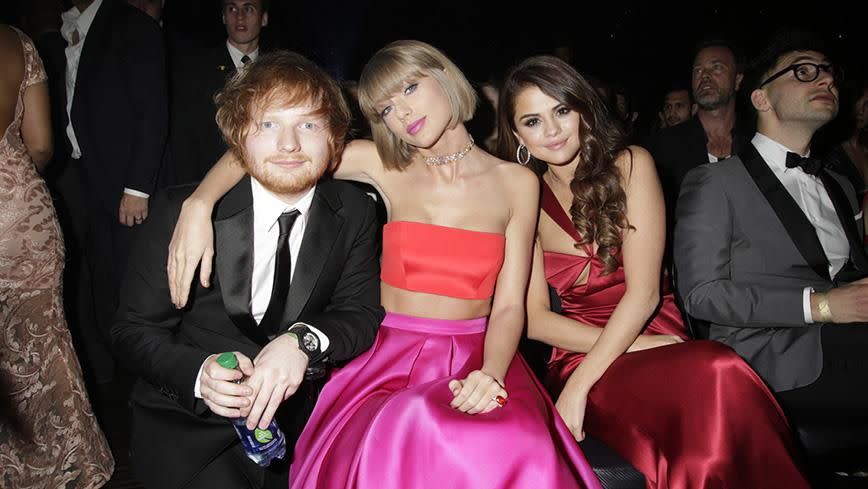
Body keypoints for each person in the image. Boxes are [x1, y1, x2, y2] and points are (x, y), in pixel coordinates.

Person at [166, 40, 603, 488]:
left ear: (444, 76)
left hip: (481, 354)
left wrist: (490, 373)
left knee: (512, 446)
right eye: (386, 108)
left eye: (410, 88)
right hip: (388, 360)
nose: (402, 113)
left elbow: (511, 306)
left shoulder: (517, 183)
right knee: (401, 427)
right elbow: (274, 150)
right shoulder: (379, 164)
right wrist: (199, 203)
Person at [497, 55, 809, 488]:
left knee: (719, 377)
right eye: (532, 120)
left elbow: (643, 295)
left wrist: (585, 384)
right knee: (714, 376)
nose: (551, 130)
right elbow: (535, 319)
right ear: (517, 135)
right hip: (581, 353)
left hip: (653, 329)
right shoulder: (523, 195)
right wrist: (610, 363)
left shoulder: (630, 164)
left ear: (583, 109)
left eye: (562, 110)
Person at [111, 51, 384, 489]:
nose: (289, 144)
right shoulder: (179, 212)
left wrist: (302, 341)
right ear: (239, 136)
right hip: (188, 433)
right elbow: (132, 329)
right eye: (269, 125)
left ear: (335, 137)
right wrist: (200, 376)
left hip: (299, 433)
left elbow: (361, 313)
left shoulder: (353, 212)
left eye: (309, 124)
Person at [675, 31, 868, 437]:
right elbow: (702, 295)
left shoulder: (840, 184)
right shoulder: (716, 182)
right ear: (761, 97)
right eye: (804, 72)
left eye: (828, 73)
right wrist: (823, 307)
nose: (825, 81)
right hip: (771, 356)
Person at [0, 24, 113, 488]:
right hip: (22, 215)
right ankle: (74, 469)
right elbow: (43, 144)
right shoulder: (15, 40)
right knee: (42, 348)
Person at [170, 0, 270, 184]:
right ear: (223, 17)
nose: (239, 16)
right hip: (210, 183)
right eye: (232, 9)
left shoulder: (276, 71)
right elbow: (183, 138)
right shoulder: (195, 68)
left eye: (248, 9)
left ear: (263, 18)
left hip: (265, 181)